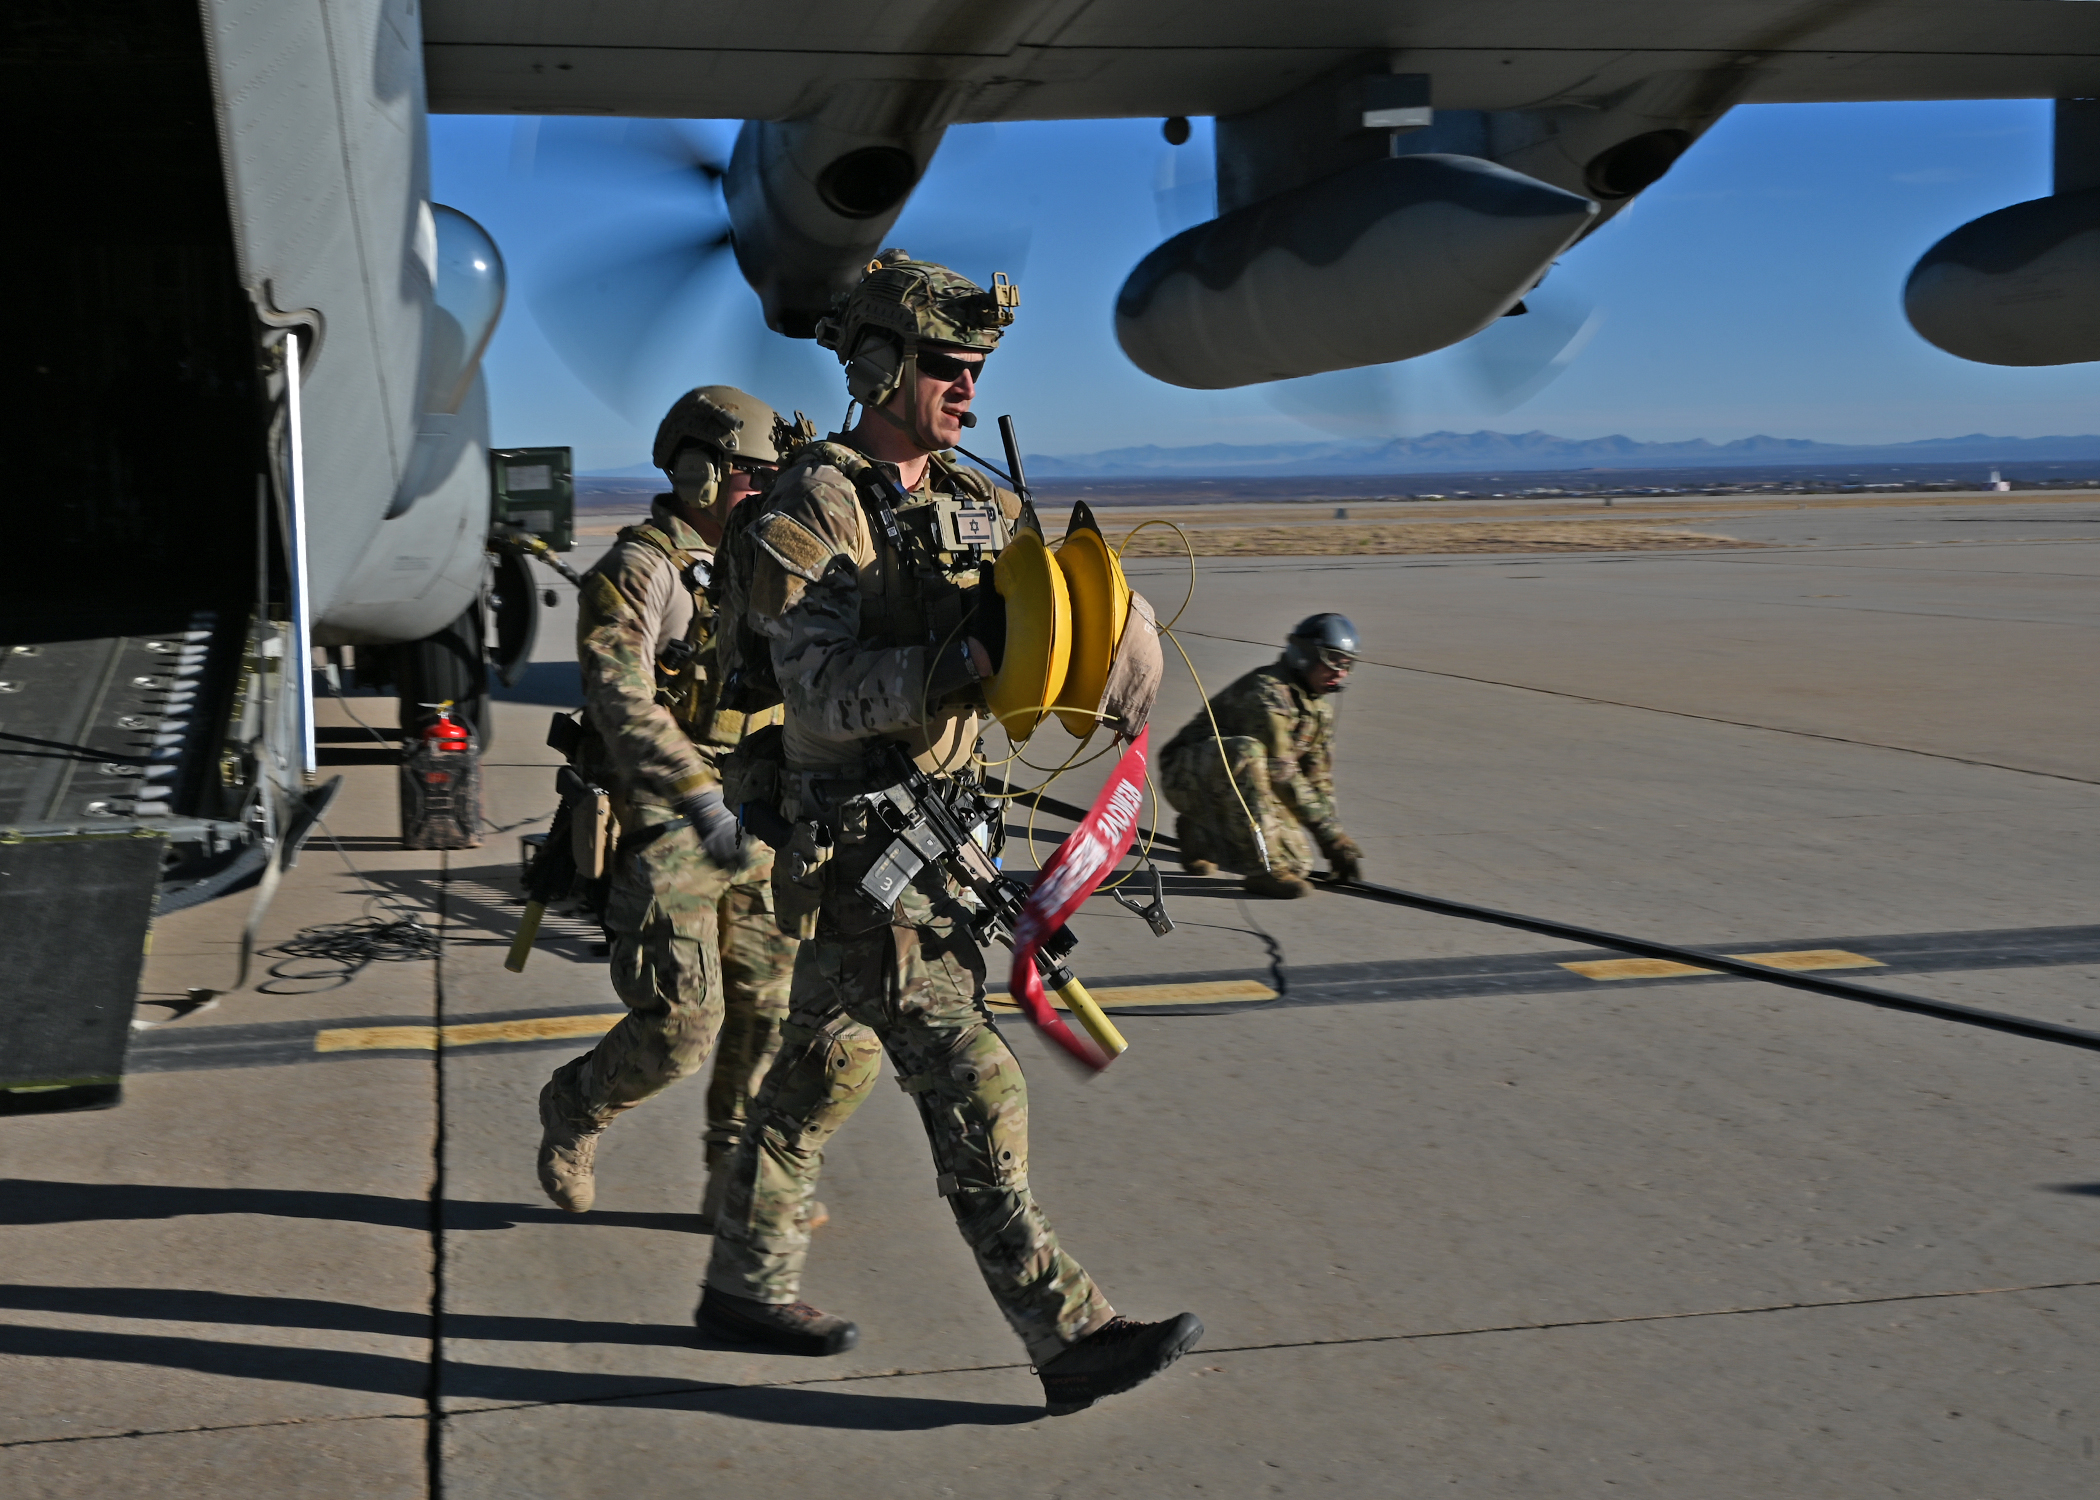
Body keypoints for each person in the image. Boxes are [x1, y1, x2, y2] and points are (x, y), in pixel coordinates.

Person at [694, 250, 1203, 1418]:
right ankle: (1066, 1330)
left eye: (977, 371)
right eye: (945, 367)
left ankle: (745, 1281)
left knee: (819, 1072)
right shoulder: (812, 506)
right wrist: (962, 659)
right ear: (877, 364)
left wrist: (1105, 656)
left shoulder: (966, 496)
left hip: (937, 837)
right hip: (863, 847)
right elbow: (815, 692)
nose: (966, 389)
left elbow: (1052, 635)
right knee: (974, 1084)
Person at [536, 385, 827, 1235]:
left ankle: (735, 1178)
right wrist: (700, 797)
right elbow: (621, 701)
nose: (770, 494)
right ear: (702, 474)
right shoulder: (640, 569)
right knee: (680, 1027)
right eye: (756, 477)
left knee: (768, 1011)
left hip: (760, 810)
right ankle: (577, 1105)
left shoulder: (770, 568)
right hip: (667, 813)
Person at [1159, 613, 1364, 900]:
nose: (1340, 673)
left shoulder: (1319, 711)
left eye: (1347, 664)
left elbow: (1318, 780)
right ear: (1306, 655)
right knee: (1248, 752)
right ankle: (1264, 871)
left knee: (1299, 863)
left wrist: (1335, 838)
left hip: (1235, 785)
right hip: (1185, 776)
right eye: (1333, 660)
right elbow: (1282, 772)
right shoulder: (1267, 693)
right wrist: (1328, 837)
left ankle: (1201, 834)